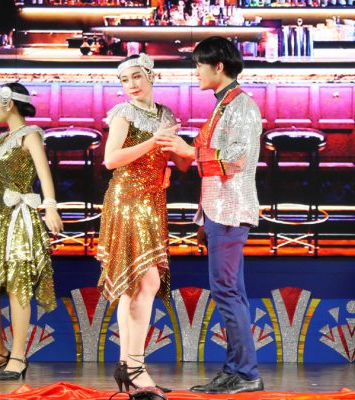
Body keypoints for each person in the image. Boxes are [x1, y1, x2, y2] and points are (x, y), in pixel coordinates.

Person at [155, 37, 264, 394]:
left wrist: (188, 151)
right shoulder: (224, 105)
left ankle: (245, 374)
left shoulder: (241, 105)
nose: (196, 71)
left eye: (199, 64)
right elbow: (202, 157)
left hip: (231, 210)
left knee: (226, 291)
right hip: (220, 210)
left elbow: (237, 160)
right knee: (231, 292)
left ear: (219, 66)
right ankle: (238, 370)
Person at [0, 82, 63, 380]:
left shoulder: (31, 135)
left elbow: (44, 174)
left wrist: (50, 207)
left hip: (21, 217)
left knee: (19, 285)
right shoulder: (0, 140)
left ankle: (18, 355)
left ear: (9, 103)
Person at [96, 53, 185, 392]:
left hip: (153, 202)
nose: (131, 85)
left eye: (136, 77)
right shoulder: (123, 113)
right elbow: (110, 160)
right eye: (124, 80)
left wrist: (179, 152)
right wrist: (154, 141)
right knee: (146, 282)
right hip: (127, 199)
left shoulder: (166, 115)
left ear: (151, 76)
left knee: (136, 286)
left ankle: (127, 365)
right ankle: (135, 366)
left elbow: (177, 160)